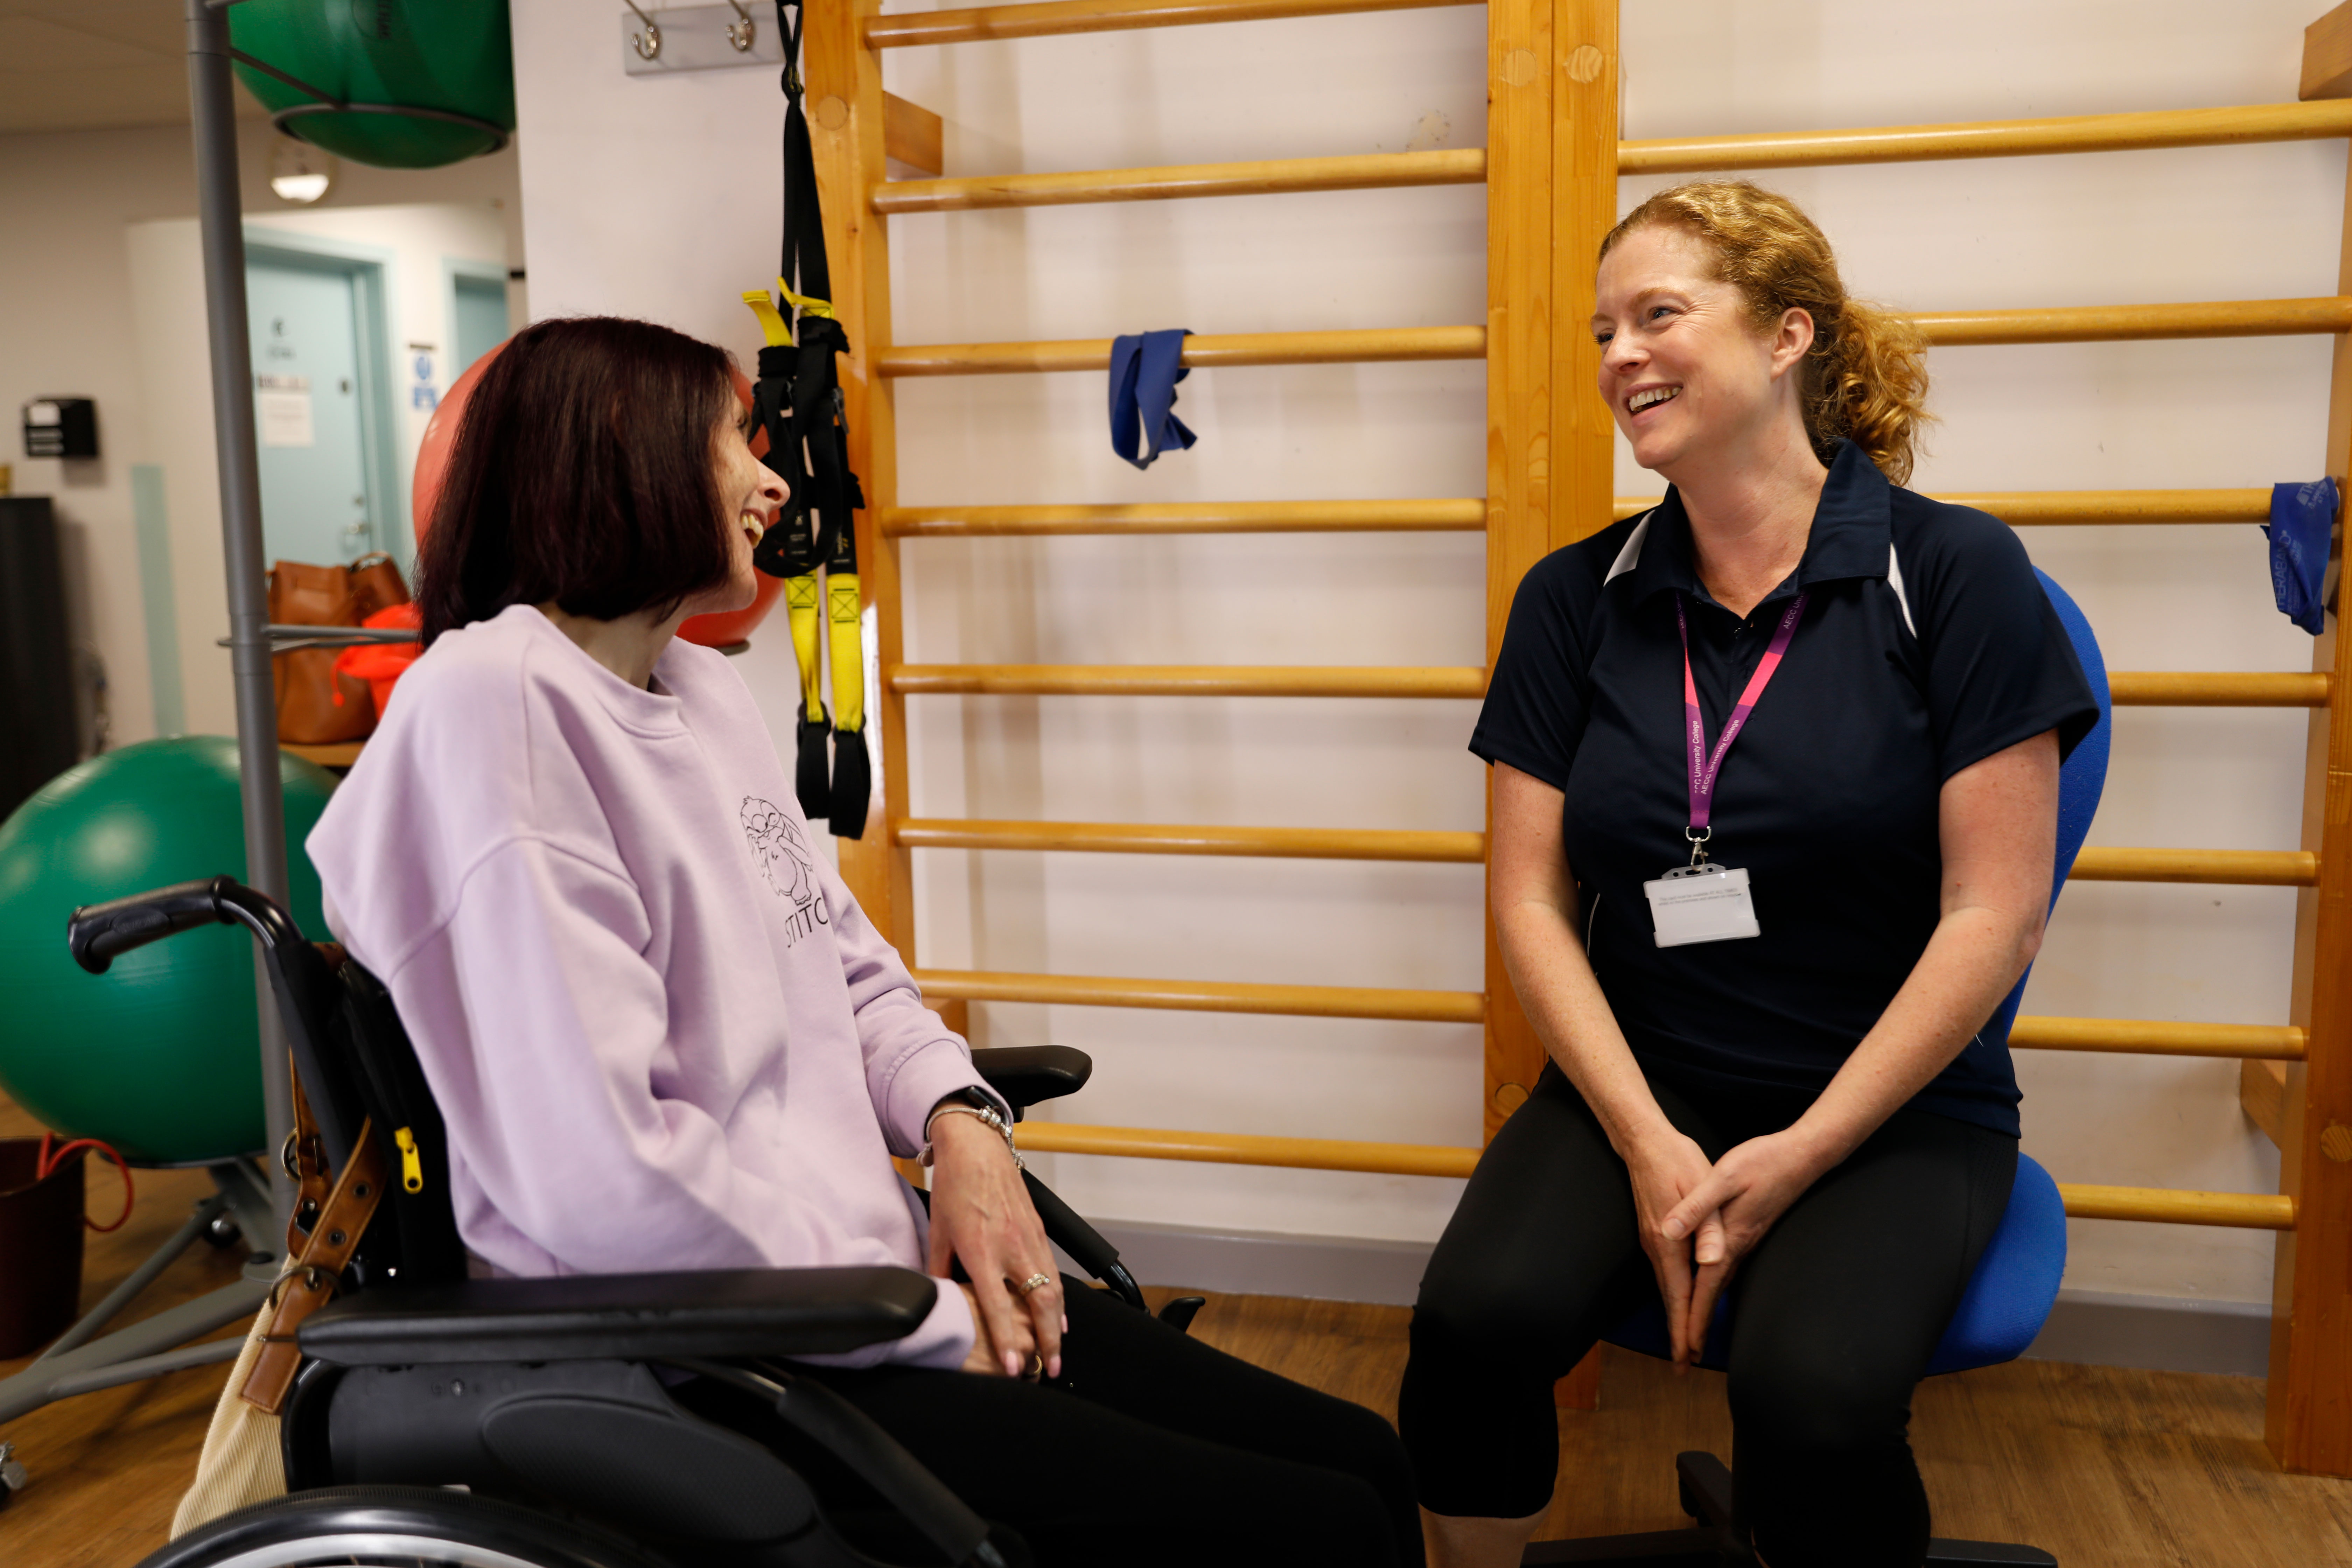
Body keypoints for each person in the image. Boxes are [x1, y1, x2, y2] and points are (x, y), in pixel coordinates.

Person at [306, 316, 1420, 1568]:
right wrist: (928, 1324)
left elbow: (843, 959)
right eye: (735, 439)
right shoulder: (496, 711)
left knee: (1370, 1467)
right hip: (729, 1352)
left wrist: (960, 1121)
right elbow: (607, 1188)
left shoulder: (701, 689)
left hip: (865, 1295)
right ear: (620, 457)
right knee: (1322, 1532)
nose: (776, 481)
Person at [1397, 182, 2099, 1568]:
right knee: (1472, 1324)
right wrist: (1652, 1137)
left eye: (1660, 313)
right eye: (1604, 328)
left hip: (1894, 1113)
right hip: (1644, 1087)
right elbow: (1532, 902)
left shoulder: (1952, 575)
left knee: (1816, 1398)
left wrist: (1802, 1152)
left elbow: (1995, 911)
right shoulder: (1571, 598)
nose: (1618, 355)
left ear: (1789, 337)